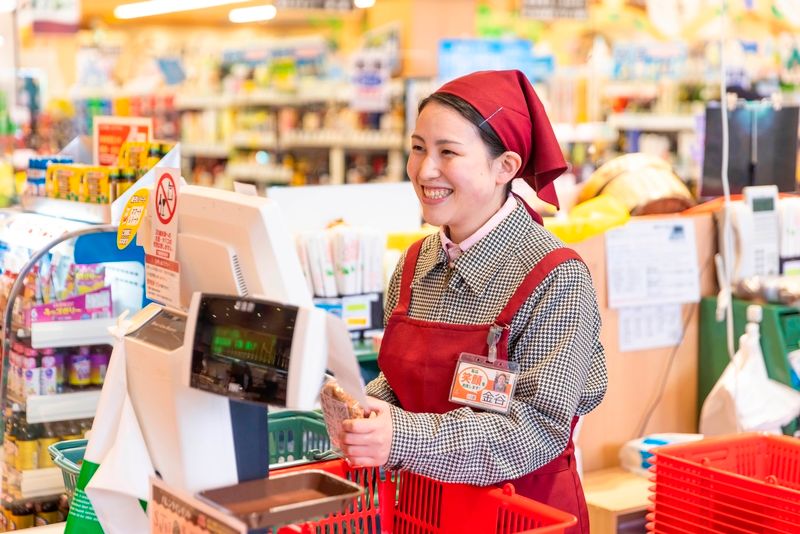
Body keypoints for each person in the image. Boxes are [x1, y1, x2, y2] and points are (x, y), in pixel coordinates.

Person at [340, 70, 607, 534]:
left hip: (521, 516)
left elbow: (537, 427)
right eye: (418, 147)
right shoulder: (414, 264)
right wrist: (361, 413)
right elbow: (405, 383)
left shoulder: (556, 277)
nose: (425, 171)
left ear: (505, 167)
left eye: (448, 152)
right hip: (423, 513)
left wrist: (401, 437)